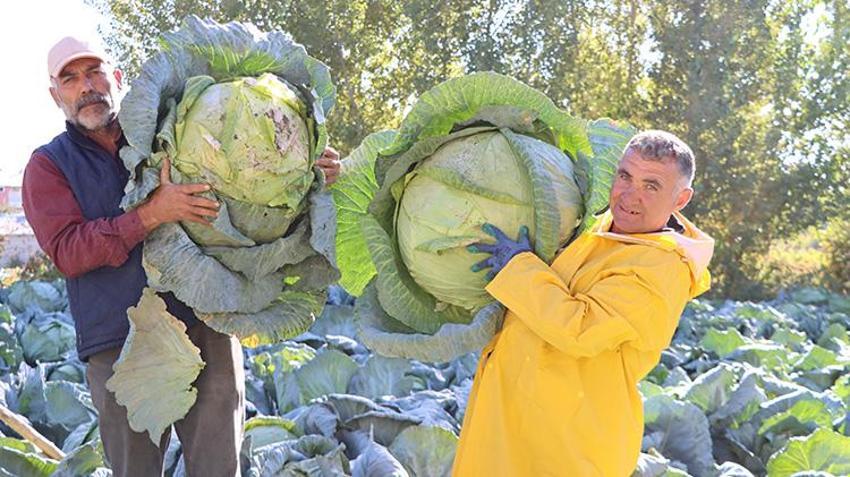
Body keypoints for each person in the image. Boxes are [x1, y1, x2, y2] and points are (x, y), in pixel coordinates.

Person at [22, 36, 341, 477]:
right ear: (55, 95)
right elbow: (68, 251)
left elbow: (249, 177)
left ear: (116, 78)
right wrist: (150, 215)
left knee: (218, 467)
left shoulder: (166, 127)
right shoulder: (48, 166)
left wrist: (306, 167)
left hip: (207, 320)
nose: (86, 87)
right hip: (121, 341)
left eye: (94, 72)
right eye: (70, 79)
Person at [452, 130, 715, 476]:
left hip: (567, 444)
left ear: (681, 199)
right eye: (625, 176)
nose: (629, 196)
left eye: (651, 186)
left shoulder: (663, 269)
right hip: (513, 420)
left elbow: (580, 328)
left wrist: (516, 264)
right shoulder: (605, 227)